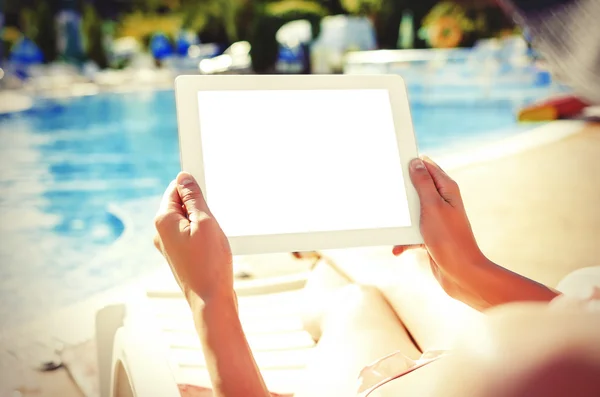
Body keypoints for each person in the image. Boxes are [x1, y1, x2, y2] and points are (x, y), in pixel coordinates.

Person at [153, 1, 600, 395]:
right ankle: (322, 250)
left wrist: (208, 296)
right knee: (409, 264)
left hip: (474, 371)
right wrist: (470, 267)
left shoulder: (538, 366)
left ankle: (319, 255)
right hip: (523, 347)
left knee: (355, 304)